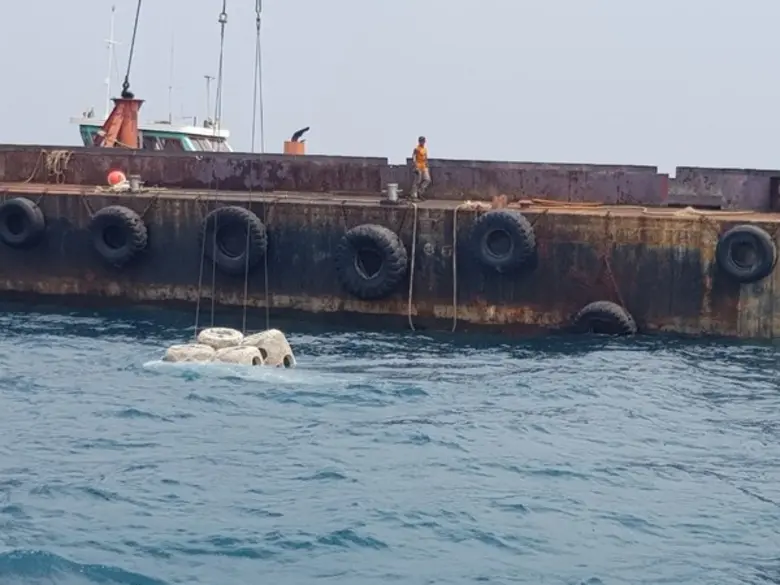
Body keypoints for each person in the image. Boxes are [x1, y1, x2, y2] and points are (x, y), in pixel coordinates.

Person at [409, 136, 431, 200]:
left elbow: (426, 158)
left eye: (423, 141)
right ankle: (413, 195)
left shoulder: (425, 149)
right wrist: (415, 166)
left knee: (427, 180)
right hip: (418, 166)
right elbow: (413, 157)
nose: (422, 142)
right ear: (419, 141)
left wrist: (427, 165)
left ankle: (420, 191)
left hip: (424, 166)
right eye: (421, 141)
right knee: (417, 181)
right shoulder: (416, 149)